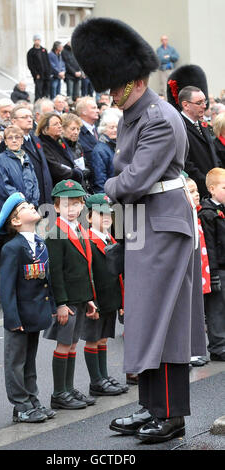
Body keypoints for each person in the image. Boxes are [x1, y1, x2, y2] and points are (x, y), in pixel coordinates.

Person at [72, 17, 206, 444]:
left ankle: (171, 414)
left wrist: (107, 187)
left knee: (165, 320)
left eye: (113, 86)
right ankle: (151, 405)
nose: (110, 94)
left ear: (130, 80)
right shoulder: (136, 111)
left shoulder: (159, 117)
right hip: (144, 221)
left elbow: (128, 182)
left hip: (162, 221)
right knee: (147, 319)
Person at [0, 192, 56, 423]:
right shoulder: (12, 248)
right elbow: (7, 288)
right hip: (19, 317)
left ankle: (32, 399)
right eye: (24, 207)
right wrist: (12, 319)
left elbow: (45, 281)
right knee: (15, 363)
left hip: (34, 314)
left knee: (29, 361)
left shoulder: (39, 243)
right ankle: (20, 405)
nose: (31, 206)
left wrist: (50, 306)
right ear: (15, 221)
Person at [43, 179, 97, 409]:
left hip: (80, 298)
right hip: (68, 301)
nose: (72, 209)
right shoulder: (56, 233)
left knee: (72, 344)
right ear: (56, 208)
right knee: (64, 345)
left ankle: (68, 388)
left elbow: (85, 268)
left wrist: (89, 297)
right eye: (66, 205)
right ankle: (58, 393)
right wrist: (61, 304)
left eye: (76, 204)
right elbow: (55, 273)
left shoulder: (80, 229)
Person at [82, 193, 127, 396]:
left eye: (109, 213)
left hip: (110, 298)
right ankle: (96, 381)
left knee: (103, 339)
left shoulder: (110, 238)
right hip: (97, 299)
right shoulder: (88, 240)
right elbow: (89, 275)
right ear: (90, 217)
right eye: (101, 214)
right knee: (93, 338)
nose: (107, 218)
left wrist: (121, 300)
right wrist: (92, 300)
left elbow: (116, 274)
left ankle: (104, 375)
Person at [167, 65, 220, 198]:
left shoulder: (202, 124)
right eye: (199, 103)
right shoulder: (178, 127)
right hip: (197, 191)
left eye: (205, 101)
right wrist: (207, 185)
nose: (204, 106)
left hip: (213, 190)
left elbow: (213, 155)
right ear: (186, 105)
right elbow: (186, 164)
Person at [198, 168, 225, 362]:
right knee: (216, 309)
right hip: (217, 269)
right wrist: (213, 272)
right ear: (212, 189)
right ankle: (218, 346)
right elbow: (209, 244)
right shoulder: (207, 213)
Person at [185, 177, 210, 367]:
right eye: (191, 191)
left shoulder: (197, 213)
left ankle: (195, 349)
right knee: (188, 312)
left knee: (197, 311)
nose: (196, 194)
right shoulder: (185, 215)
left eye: (196, 191)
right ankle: (187, 351)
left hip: (200, 269)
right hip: (189, 273)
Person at [10, 104, 53, 206]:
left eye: (30, 117)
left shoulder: (35, 138)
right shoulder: (11, 142)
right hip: (27, 201)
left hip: (45, 198)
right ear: (13, 121)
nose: (29, 120)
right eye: (24, 117)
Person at [0, 125, 39, 217]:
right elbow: (3, 187)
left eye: (17, 137)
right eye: (10, 138)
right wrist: (22, 203)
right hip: (11, 209)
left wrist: (33, 202)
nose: (14, 140)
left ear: (22, 140)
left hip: (29, 207)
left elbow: (34, 181)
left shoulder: (26, 157)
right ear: (5, 142)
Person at [35, 112, 83, 186]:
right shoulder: (42, 145)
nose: (60, 126)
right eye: (55, 124)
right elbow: (55, 168)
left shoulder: (60, 141)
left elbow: (70, 160)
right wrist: (74, 173)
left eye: (60, 123)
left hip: (70, 183)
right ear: (45, 128)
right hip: (58, 187)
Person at [61, 112, 93, 193]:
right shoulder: (60, 147)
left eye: (78, 129)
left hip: (82, 187)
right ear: (63, 129)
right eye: (72, 129)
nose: (76, 132)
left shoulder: (78, 146)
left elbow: (86, 164)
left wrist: (86, 170)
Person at [90, 110, 120, 193]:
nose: (115, 130)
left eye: (117, 127)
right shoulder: (100, 150)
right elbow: (99, 179)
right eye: (111, 127)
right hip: (108, 194)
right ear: (103, 130)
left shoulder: (117, 145)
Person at [76, 97, 100, 191]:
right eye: (93, 108)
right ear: (84, 112)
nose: (97, 110)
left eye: (97, 108)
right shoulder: (77, 132)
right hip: (88, 184)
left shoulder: (98, 130)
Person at [27, 34, 51, 101]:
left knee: (46, 89)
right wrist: (35, 74)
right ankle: (38, 102)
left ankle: (45, 101)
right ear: (34, 41)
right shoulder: (31, 52)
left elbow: (47, 62)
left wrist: (49, 72)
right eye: (36, 40)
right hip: (38, 75)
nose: (37, 41)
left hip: (46, 74)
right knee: (38, 90)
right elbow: (30, 65)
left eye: (38, 40)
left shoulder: (44, 50)